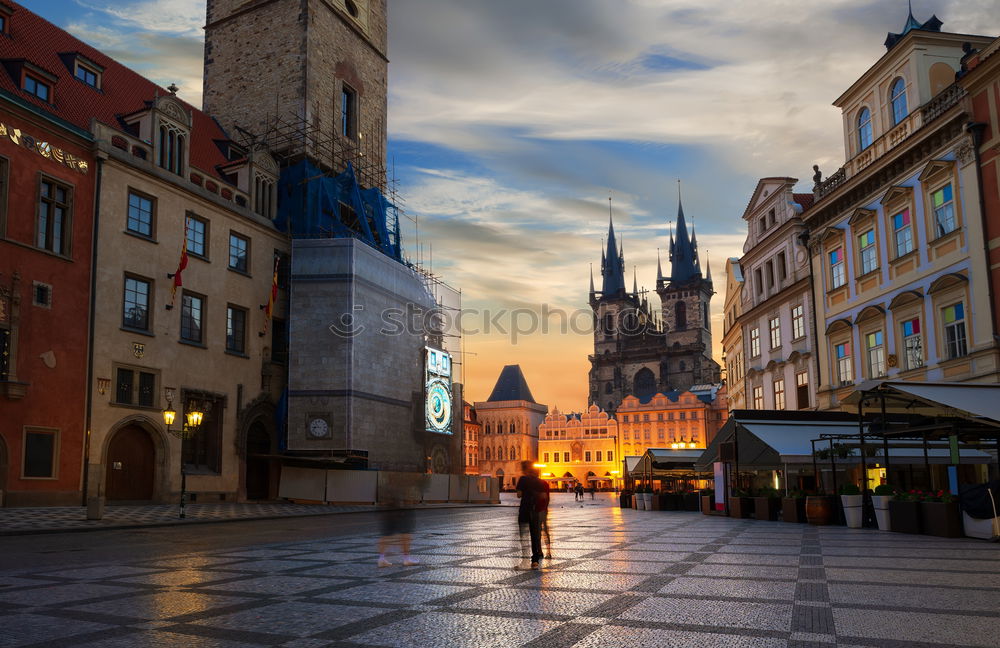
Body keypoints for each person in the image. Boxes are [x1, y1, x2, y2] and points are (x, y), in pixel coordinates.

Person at [516, 460, 544, 569]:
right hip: (535, 511)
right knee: (535, 536)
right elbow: (543, 497)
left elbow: (519, 495)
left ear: (524, 469)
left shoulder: (523, 479)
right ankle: (535, 561)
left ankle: (524, 561)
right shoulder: (539, 481)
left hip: (524, 510)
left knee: (523, 536)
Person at [377, 494, 419, 567]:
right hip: (401, 508)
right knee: (406, 533)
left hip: (390, 508)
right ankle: (406, 559)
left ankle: (381, 559)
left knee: (386, 534)